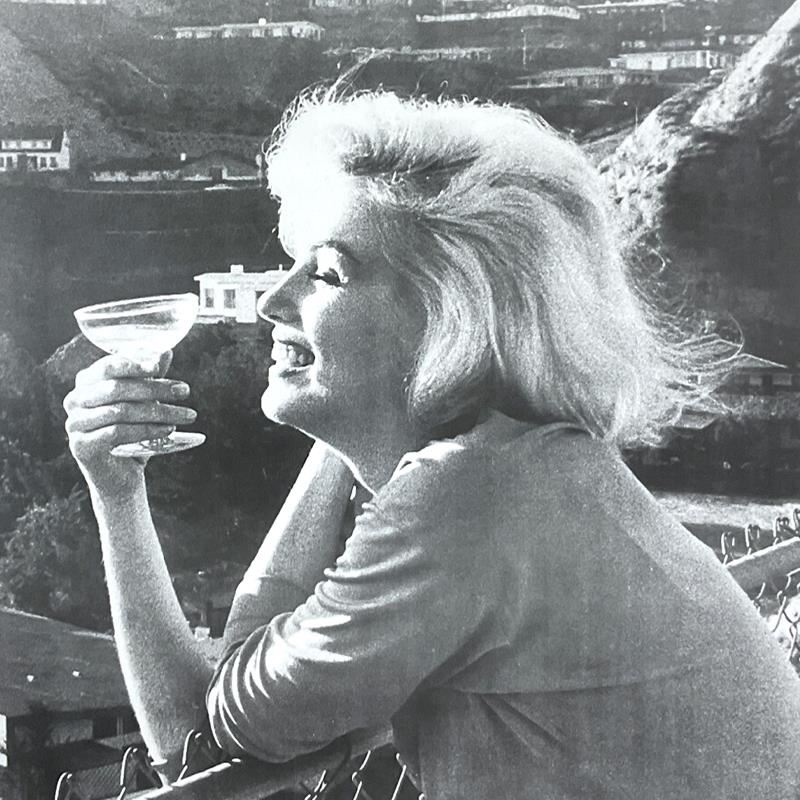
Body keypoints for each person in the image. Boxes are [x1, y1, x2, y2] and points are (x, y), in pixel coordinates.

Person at [64, 90, 800, 799]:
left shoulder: (469, 500)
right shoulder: (541, 465)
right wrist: (363, 420)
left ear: (448, 317)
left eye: (326, 273)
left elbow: (200, 739)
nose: (271, 300)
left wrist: (116, 493)